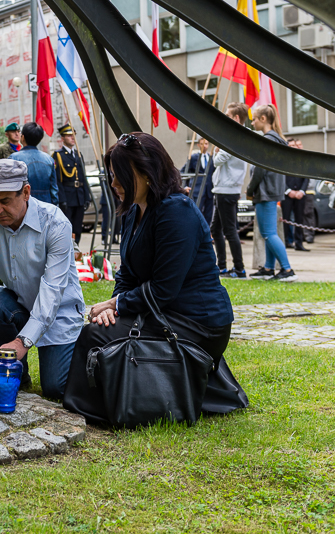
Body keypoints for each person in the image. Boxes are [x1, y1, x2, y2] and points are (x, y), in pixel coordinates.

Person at [62, 132, 248, 424]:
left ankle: (98, 408)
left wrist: (118, 305)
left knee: (96, 335)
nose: (113, 184)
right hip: (164, 311)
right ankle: (98, 400)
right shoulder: (133, 211)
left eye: (119, 175)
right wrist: (114, 304)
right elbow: (127, 272)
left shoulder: (177, 212)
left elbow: (164, 289)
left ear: (146, 173)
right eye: (112, 176)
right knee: (98, 329)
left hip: (198, 321)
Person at [0, 159, 85, 399]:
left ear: (26, 192)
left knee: (56, 389)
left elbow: (52, 290)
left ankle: (79, 347)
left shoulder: (55, 224)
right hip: (20, 304)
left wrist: (21, 343)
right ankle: (18, 374)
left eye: (5, 201)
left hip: (59, 312)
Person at [246, 105, 296, 281]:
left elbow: (259, 170)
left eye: (254, 119)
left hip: (265, 192)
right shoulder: (278, 139)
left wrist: (249, 189)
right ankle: (268, 268)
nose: (252, 123)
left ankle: (287, 270)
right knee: (269, 232)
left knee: (268, 233)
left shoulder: (267, 140)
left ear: (263, 119)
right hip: (272, 191)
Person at [211, 103, 249, 279]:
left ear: (235, 118)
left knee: (229, 230)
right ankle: (222, 266)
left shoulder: (233, 137)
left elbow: (218, 160)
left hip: (226, 190)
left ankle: (239, 268)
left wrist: (215, 149)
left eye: (227, 115)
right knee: (216, 228)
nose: (224, 117)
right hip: (223, 189)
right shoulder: (238, 136)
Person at [53, 123, 90, 243]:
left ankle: (76, 253)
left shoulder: (79, 155)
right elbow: (58, 180)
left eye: (74, 135)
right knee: (67, 228)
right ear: (62, 138)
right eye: (69, 135)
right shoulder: (58, 155)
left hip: (79, 197)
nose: (73, 138)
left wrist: (86, 196)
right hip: (67, 198)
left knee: (78, 228)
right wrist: (62, 199)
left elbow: (83, 178)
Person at [11, 122, 59, 205]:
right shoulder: (49, 159)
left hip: (23, 205)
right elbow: (54, 189)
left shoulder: (14, 158)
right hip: (45, 205)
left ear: (23, 137)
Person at [282, 138, 310, 252]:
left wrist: (301, 191)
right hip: (287, 195)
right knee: (285, 219)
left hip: (299, 195)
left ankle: (299, 243)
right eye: (291, 145)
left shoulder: (302, 160)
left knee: (299, 220)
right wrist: (288, 191)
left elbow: (306, 178)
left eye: (295, 145)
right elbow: (280, 178)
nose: (293, 147)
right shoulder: (282, 161)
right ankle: (284, 243)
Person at [184, 137, 215, 225]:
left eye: (206, 144)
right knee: (197, 212)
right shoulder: (193, 157)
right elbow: (184, 171)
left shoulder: (211, 157)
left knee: (208, 214)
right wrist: (185, 186)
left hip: (209, 190)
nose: (204, 146)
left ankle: (206, 232)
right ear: (198, 145)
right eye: (202, 144)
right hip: (197, 190)